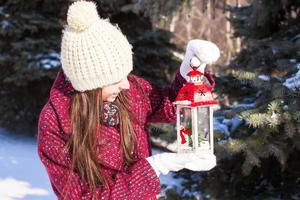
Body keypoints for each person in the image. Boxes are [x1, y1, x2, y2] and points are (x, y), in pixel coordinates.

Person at [37, 1, 219, 199]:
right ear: (90, 85)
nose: (126, 84)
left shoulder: (129, 90)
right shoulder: (55, 123)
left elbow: (169, 105)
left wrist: (189, 73)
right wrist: (154, 167)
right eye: (116, 79)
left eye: (126, 74)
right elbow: (82, 196)